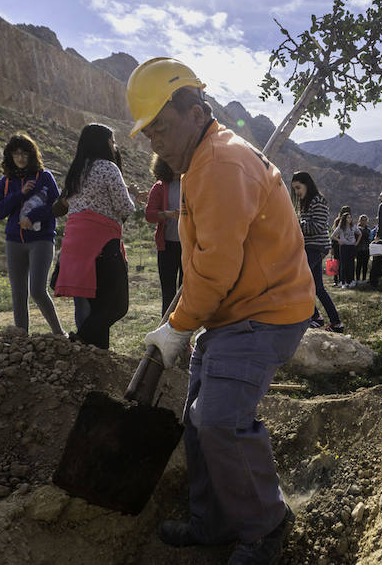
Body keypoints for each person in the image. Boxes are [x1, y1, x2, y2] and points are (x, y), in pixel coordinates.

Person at [129, 58, 316, 563]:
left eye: (161, 128)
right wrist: (185, 321)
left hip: (268, 310)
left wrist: (178, 327)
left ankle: (266, 526)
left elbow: (215, 267)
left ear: (196, 112)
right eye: (148, 134)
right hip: (235, 309)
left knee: (220, 419)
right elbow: (206, 260)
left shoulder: (220, 163)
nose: (155, 143)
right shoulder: (201, 159)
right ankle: (211, 522)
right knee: (197, 420)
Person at [54, 124, 134, 349]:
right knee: (117, 305)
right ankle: (82, 339)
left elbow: (64, 205)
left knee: (91, 305)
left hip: (75, 245)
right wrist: (133, 198)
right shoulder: (109, 168)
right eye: (112, 141)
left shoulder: (77, 171)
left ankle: (96, 355)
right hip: (103, 245)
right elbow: (124, 207)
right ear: (104, 142)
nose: (114, 145)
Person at [0, 133, 64, 336]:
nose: (21, 158)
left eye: (24, 153)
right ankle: (22, 337)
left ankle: (59, 334)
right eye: (16, 154)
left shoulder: (44, 177)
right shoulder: (5, 182)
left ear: (32, 155)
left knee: (38, 290)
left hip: (41, 240)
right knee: (18, 293)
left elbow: (58, 207)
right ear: (10, 156)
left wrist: (33, 216)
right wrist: (19, 194)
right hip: (14, 241)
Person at [291, 171, 343, 332]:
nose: (297, 192)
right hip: (312, 247)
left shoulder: (317, 201)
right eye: (294, 189)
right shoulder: (307, 201)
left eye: (298, 187)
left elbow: (318, 226)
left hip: (316, 246)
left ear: (307, 184)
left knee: (297, 281)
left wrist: (296, 222)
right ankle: (334, 323)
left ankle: (315, 317)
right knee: (318, 287)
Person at [143, 154, 182, 315]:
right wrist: (167, 214)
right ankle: (165, 327)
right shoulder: (159, 187)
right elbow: (149, 215)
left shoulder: (193, 184)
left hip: (189, 245)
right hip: (167, 246)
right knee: (168, 291)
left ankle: (180, 332)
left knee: (185, 292)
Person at [332, 211, 361, 287]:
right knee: (343, 264)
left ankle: (351, 281)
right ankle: (342, 281)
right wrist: (339, 240)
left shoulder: (353, 226)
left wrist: (357, 243)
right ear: (344, 219)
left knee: (351, 264)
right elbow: (333, 236)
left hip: (351, 247)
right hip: (344, 247)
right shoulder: (341, 227)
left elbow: (359, 234)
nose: (350, 219)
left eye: (350, 217)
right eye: (348, 217)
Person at [355, 214, 371, 283]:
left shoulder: (368, 230)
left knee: (365, 265)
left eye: (365, 220)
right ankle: (358, 279)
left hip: (366, 249)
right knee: (359, 265)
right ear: (359, 221)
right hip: (359, 249)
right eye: (362, 220)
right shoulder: (356, 229)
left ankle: (364, 279)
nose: (363, 222)